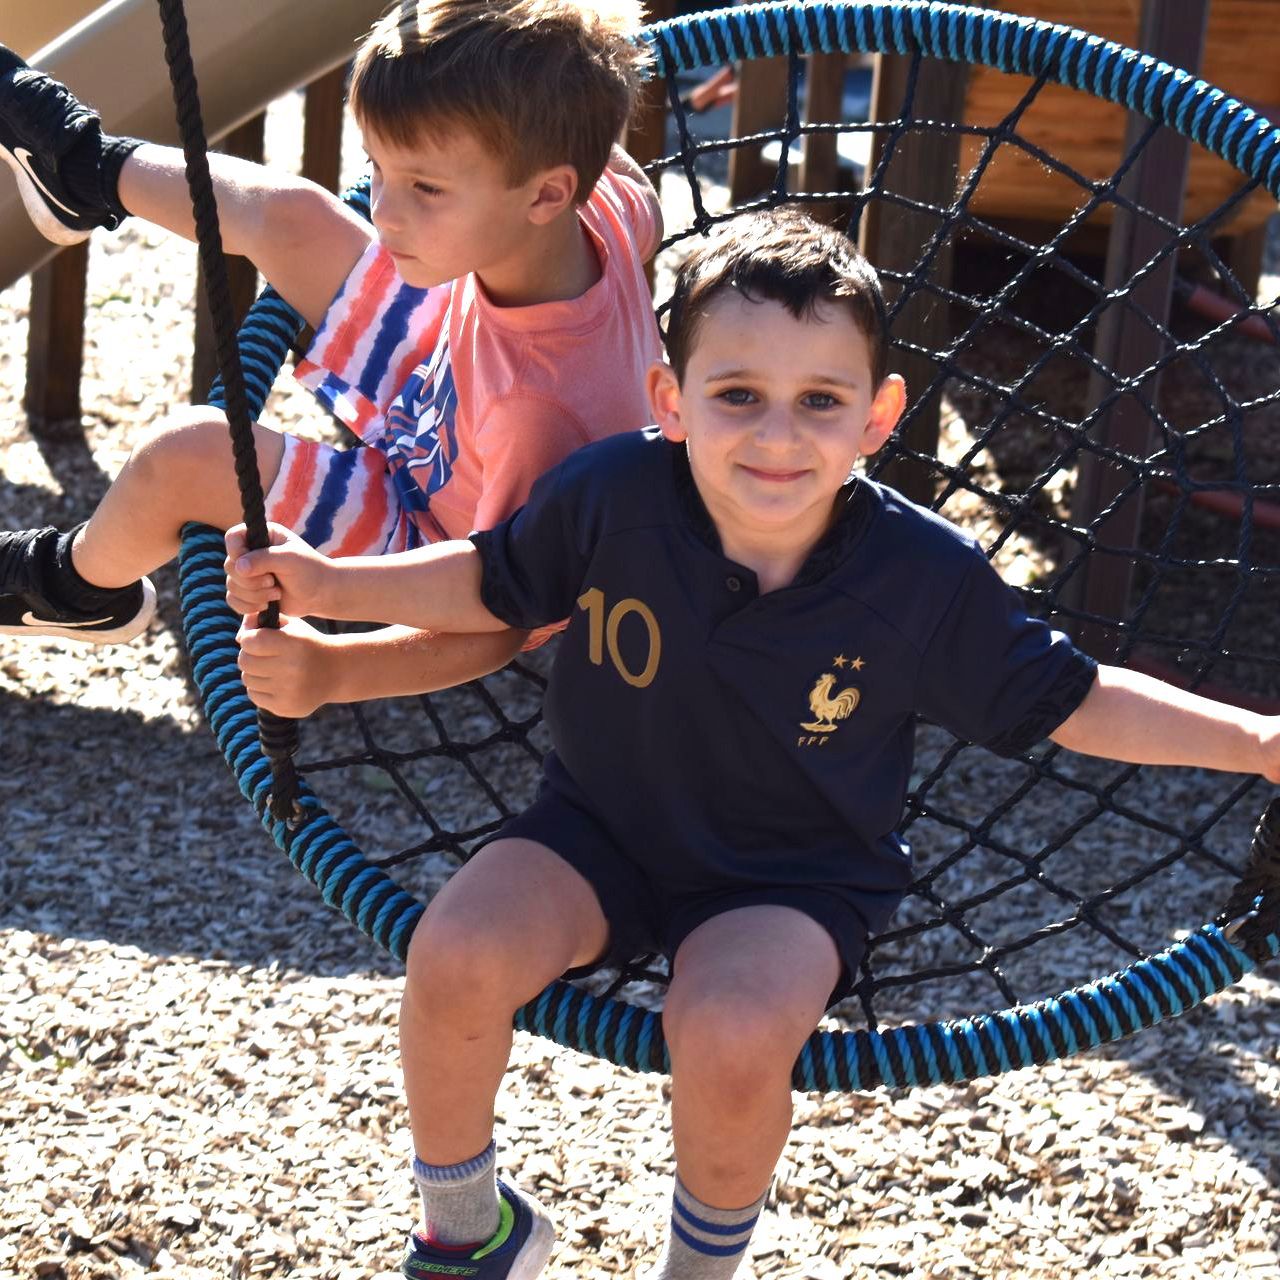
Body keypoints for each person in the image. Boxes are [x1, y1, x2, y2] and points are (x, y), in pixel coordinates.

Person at [225, 208, 1280, 1280]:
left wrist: (1255, 739)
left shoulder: (918, 576)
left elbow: (1071, 698)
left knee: (728, 1035)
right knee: (452, 953)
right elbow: (486, 578)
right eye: (737, 396)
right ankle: (467, 1226)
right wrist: (326, 589)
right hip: (593, 828)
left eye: (818, 402)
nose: (776, 437)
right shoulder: (610, 494)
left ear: (876, 418)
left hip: (793, 875)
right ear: (669, 401)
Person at [0, 0, 663, 707]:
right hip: (447, 388)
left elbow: (503, 614)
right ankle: (83, 170)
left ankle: (77, 587)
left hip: (431, 528)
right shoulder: (600, 203)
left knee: (185, 455)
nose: (384, 211)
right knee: (294, 219)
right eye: (379, 170)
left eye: (425, 189)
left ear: (547, 193)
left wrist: (336, 671)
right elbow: (637, 199)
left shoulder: (539, 414)